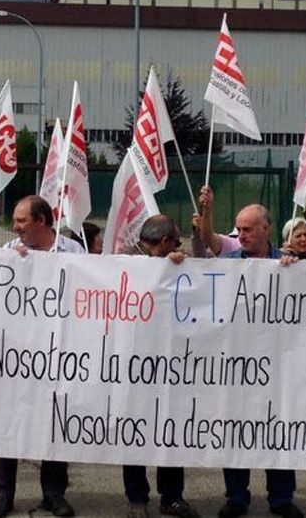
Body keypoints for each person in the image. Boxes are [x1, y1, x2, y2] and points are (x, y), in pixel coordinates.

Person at [195, 187, 304, 518]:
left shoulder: (288, 264)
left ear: (266, 229)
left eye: (247, 229)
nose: (240, 235)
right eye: (238, 229)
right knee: (236, 431)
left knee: (277, 430)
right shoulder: (227, 264)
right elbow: (205, 249)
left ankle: (281, 498)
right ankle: (236, 497)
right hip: (235, 367)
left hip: (277, 366)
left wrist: (296, 270)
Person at [0, 195, 83, 518]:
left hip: (57, 354)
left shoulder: (73, 251)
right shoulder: (8, 252)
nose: (16, 227)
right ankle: (3, 495)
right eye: (15, 221)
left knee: (53, 423)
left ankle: (54, 494)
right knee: (7, 423)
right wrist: (13, 265)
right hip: (15, 355)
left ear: (41, 221)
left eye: (21, 220)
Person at [121, 215, 198, 518]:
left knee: (170, 429)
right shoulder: (124, 262)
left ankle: (172, 496)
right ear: (164, 242)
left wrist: (181, 264)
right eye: (177, 242)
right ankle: (137, 496)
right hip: (132, 362)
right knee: (135, 430)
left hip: (172, 363)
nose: (180, 247)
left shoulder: (179, 263)